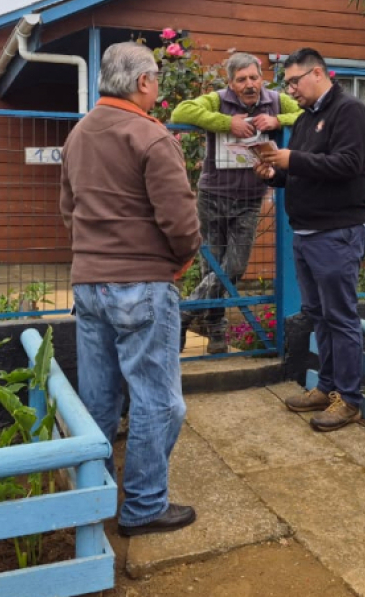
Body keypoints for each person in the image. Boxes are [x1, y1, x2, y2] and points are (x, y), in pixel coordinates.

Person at [59, 42, 201, 537]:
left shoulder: (78, 135)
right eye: (156, 78)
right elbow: (180, 221)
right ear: (143, 82)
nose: (157, 85)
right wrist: (180, 260)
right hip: (142, 282)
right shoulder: (151, 136)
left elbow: (68, 208)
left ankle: (93, 499)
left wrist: (92, 256)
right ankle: (143, 507)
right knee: (159, 401)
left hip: (89, 284)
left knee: (99, 399)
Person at [255, 48, 365, 432]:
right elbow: (299, 171)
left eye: (294, 81)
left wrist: (292, 160)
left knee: (340, 317)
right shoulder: (307, 119)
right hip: (306, 232)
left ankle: (349, 399)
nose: (290, 90)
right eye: (286, 83)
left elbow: (350, 164)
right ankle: (325, 387)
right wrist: (273, 172)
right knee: (319, 315)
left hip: (337, 232)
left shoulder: (350, 111)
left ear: (318, 73)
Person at [170, 53, 302, 353]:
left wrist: (277, 120)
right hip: (213, 194)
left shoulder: (277, 101)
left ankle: (184, 311)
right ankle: (217, 336)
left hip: (250, 197)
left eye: (254, 77)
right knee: (211, 265)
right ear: (230, 84)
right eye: (241, 80)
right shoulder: (217, 100)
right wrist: (227, 123)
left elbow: (307, 115)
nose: (249, 84)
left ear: (262, 78)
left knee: (235, 266)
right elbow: (181, 111)